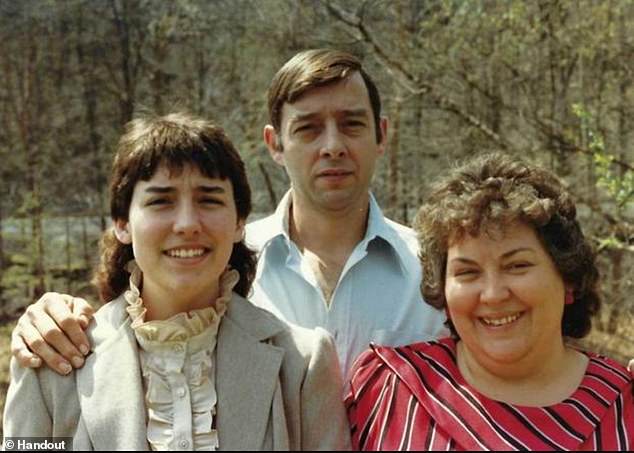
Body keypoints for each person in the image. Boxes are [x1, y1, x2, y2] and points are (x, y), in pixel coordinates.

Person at [10, 48, 446, 378]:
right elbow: (139, 337)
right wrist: (50, 318)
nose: (332, 145)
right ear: (274, 144)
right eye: (308, 128)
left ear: (381, 134)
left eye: (351, 124)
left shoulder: (439, 272)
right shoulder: (216, 258)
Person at [3, 113, 350, 450]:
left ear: (239, 222)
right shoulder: (51, 362)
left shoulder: (301, 363)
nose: (187, 223)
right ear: (123, 224)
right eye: (161, 201)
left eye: (209, 200)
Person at [345, 152, 633, 450]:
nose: (493, 294)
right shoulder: (390, 389)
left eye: (517, 266)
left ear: (568, 277)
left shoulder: (624, 406)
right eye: (467, 272)